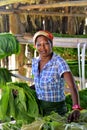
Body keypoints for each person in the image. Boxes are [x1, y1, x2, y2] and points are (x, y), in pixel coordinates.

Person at [32, 30, 81, 122]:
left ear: (51, 44)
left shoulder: (59, 62)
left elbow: (72, 86)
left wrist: (76, 108)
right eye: (39, 44)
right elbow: (39, 84)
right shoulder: (35, 62)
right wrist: (22, 90)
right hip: (39, 110)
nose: (43, 48)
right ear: (35, 46)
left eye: (46, 44)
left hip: (57, 112)